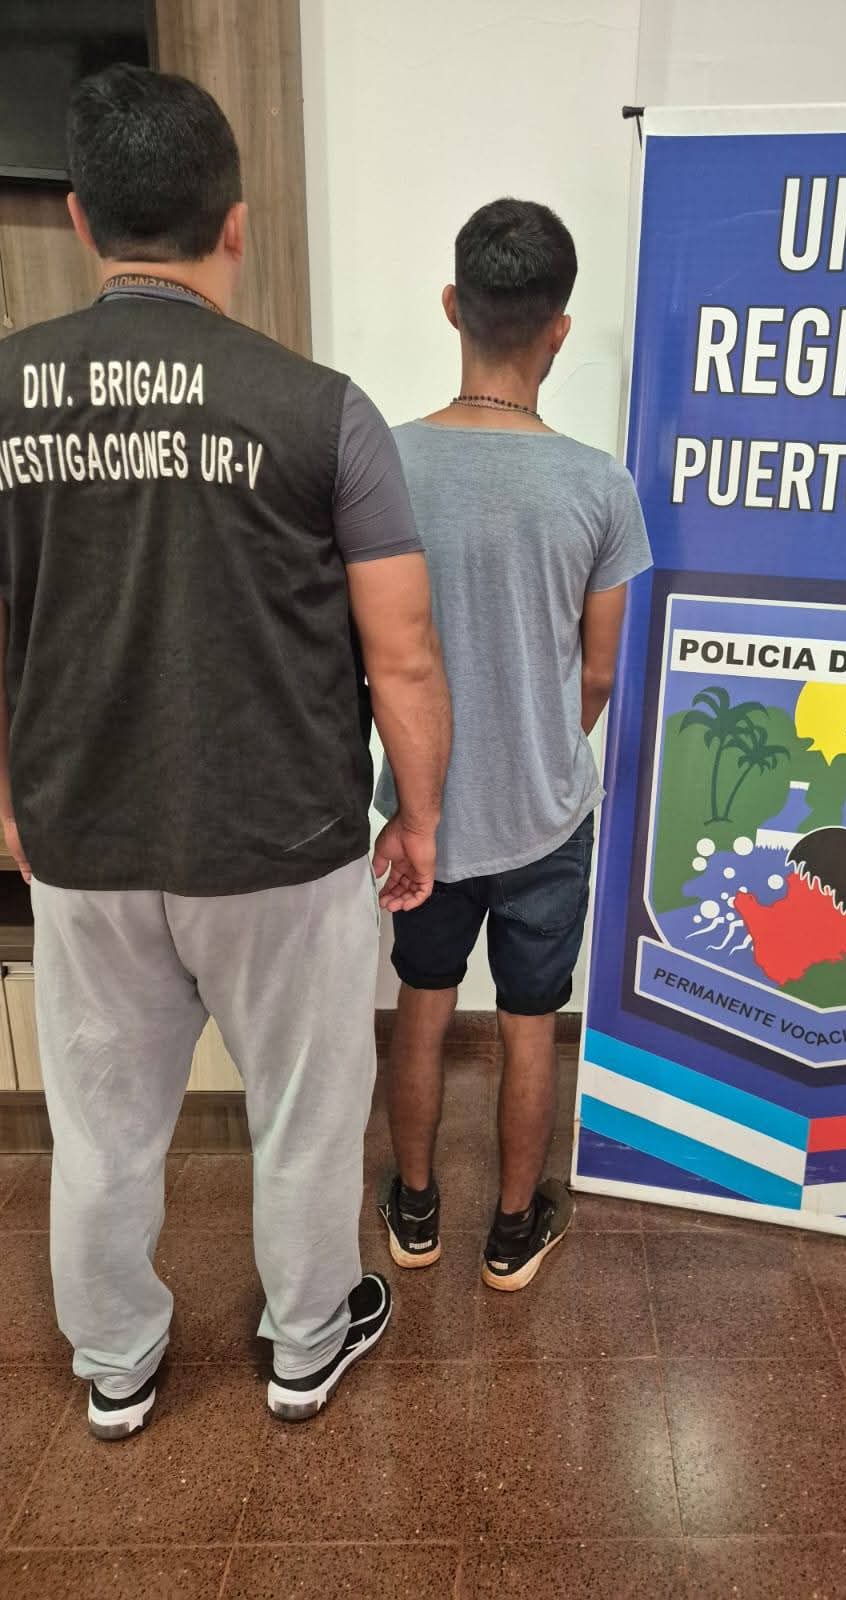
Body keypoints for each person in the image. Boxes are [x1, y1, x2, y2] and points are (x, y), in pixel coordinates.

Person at [0, 65, 451, 1438]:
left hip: (83, 839)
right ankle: (305, 1345)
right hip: (283, 846)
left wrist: (7, 801)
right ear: (235, 226)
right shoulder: (323, 409)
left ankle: (117, 1364)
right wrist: (418, 817)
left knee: (102, 1127)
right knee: (307, 1119)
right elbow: (402, 655)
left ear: (83, 220)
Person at [377, 198, 650, 1291]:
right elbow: (599, 672)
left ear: (453, 306)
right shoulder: (600, 485)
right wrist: (540, 746)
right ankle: (511, 1231)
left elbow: (364, 650)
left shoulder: (382, 464)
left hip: (424, 810)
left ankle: (414, 1210)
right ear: (560, 330)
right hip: (546, 815)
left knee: (422, 1004)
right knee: (531, 1021)